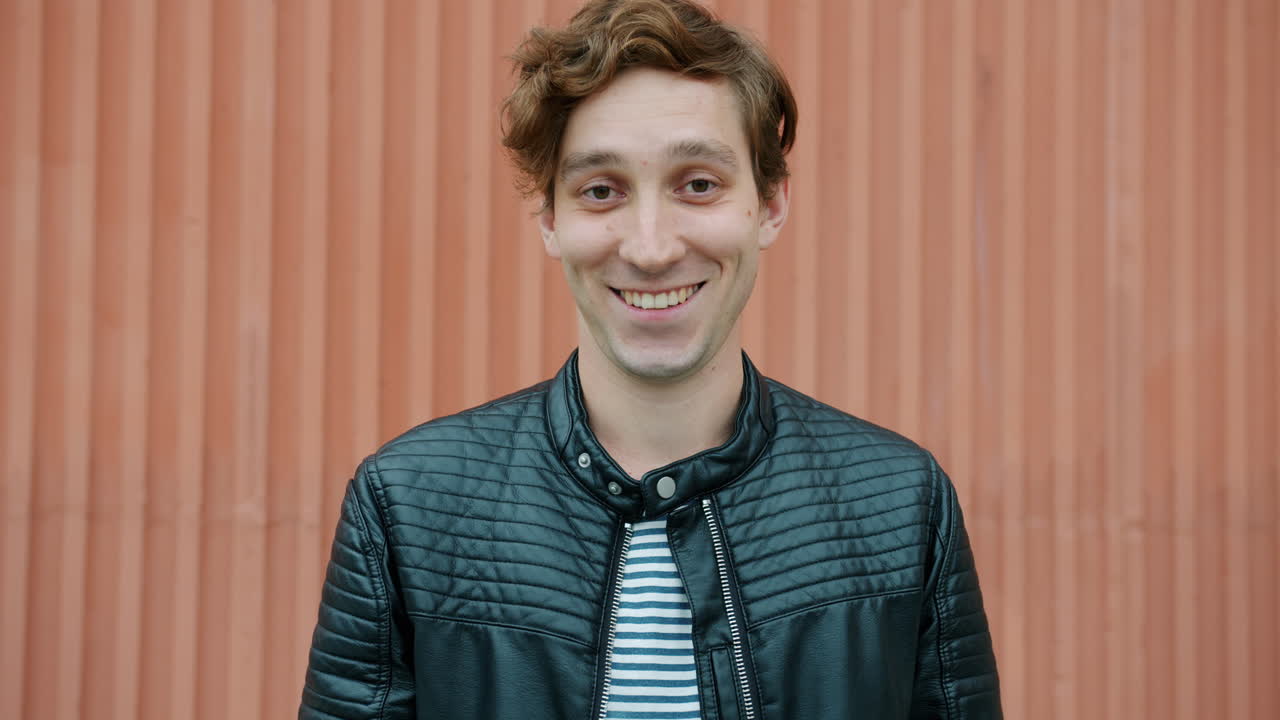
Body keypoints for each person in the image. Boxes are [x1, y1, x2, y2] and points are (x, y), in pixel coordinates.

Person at [298, 0, 1002, 718]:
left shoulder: (899, 507)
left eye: (698, 183)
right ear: (551, 220)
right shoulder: (410, 507)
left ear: (770, 205)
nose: (651, 246)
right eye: (601, 191)